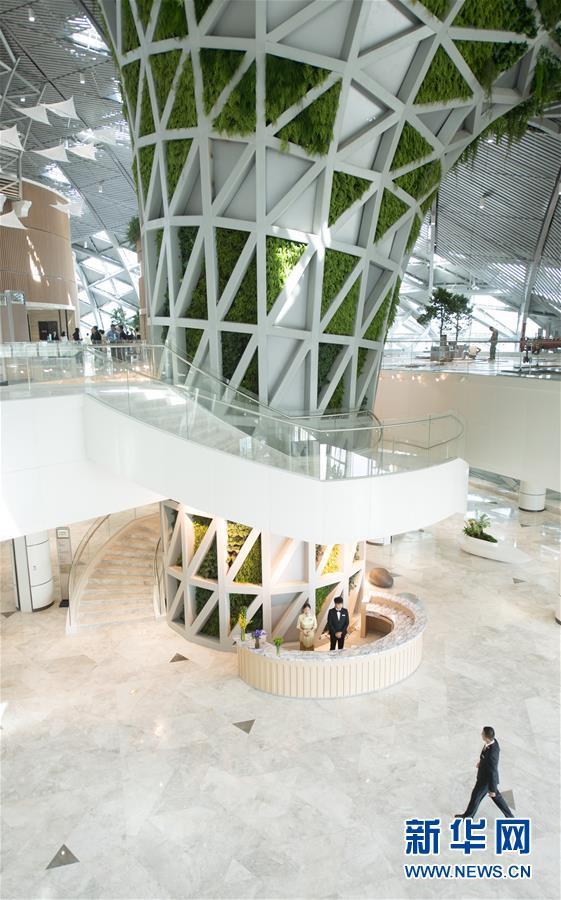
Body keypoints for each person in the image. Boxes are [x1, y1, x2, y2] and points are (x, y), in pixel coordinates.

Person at [456, 726, 514, 819]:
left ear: (486, 737)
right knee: (496, 798)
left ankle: (468, 816)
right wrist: (482, 762)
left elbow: (493, 771)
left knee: (476, 796)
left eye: (482, 734)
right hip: (487, 778)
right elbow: (487, 758)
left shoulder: (492, 754)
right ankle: (510, 816)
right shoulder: (493, 742)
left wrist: (492, 789)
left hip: (486, 780)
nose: (481, 734)